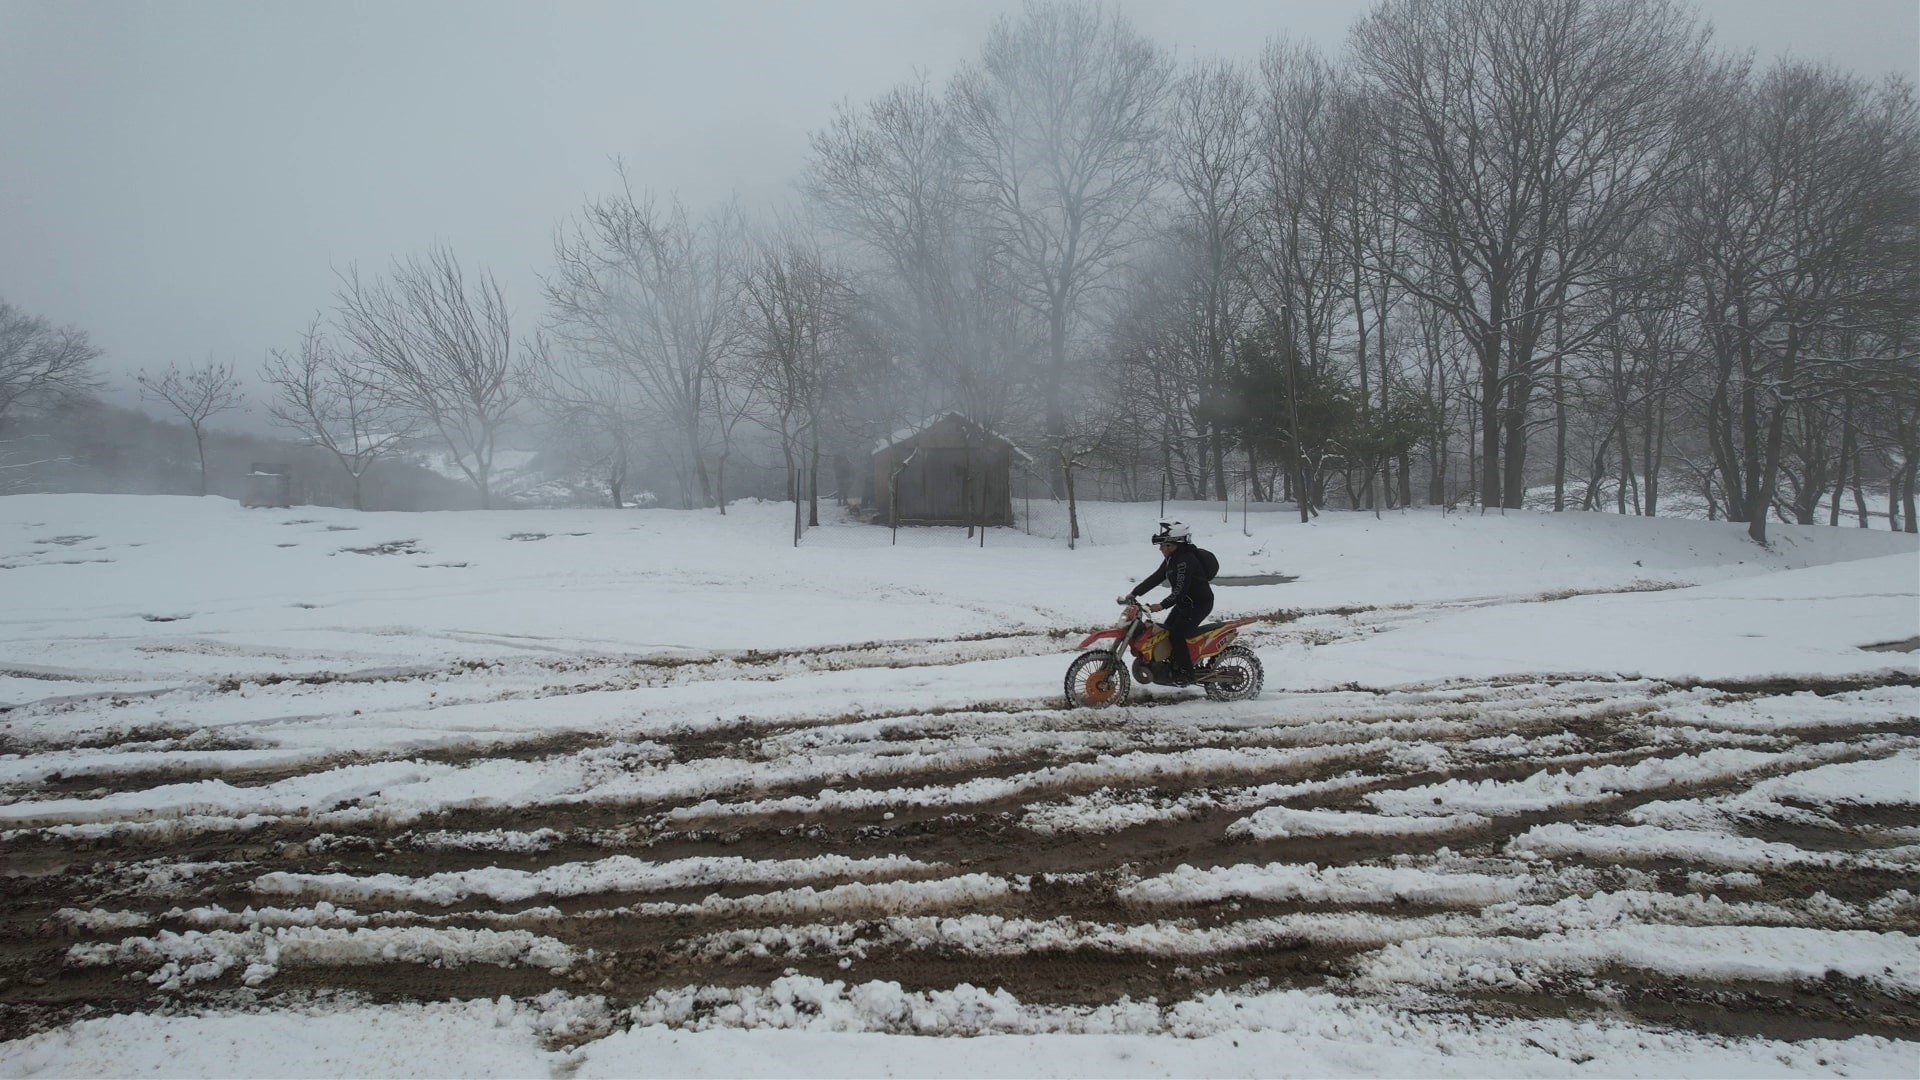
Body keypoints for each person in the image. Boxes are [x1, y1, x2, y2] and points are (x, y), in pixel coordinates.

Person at [1117, 520, 1215, 685]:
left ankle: (1187, 673)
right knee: (1164, 633)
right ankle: (1172, 666)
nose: (1160, 548)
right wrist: (1134, 593)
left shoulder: (1185, 560)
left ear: (1173, 545)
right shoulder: (1172, 559)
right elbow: (1156, 577)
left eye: (1163, 545)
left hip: (1199, 604)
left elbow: (1180, 590)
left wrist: (1161, 605)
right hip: (1184, 604)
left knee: (1177, 635)